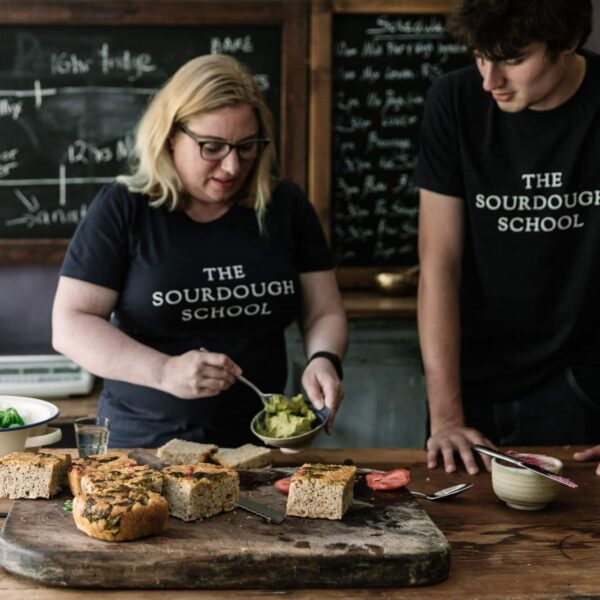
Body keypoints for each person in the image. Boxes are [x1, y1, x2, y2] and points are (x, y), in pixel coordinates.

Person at [52, 54, 347, 448]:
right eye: (212, 147)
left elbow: (323, 311)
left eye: (247, 147)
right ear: (172, 135)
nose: (231, 166)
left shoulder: (286, 206)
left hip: (259, 448)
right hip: (144, 448)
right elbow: (71, 325)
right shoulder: (124, 208)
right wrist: (165, 371)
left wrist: (324, 358)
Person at [414, 0, 600, 475]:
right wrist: (447, 415)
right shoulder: (454, 102)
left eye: (513, 61)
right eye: (480, 55)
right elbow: (440, 265)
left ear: (568, 42)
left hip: (581, 383)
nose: (489, 80)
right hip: (468, 386)